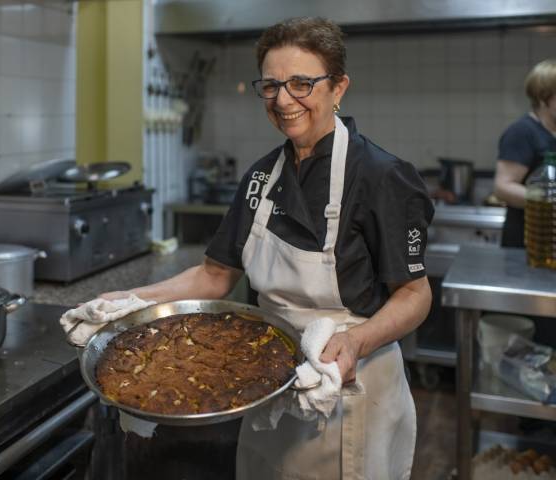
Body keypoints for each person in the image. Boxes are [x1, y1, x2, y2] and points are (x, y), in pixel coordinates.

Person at [101, 17, 433, 479]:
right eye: (271, 85)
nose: (283, 99)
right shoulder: (261, 177)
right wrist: (134, 300)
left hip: (345, 389)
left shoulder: (381, 176)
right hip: (267, 386)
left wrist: (356, 340)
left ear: (338, 88)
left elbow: (416, 296)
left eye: (301, 83)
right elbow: (215, 275)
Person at [495, 59, 556, 247]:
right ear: (542, 98)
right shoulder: (522, 132)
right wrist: (548, 198)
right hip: (528, 242)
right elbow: (503, 187)